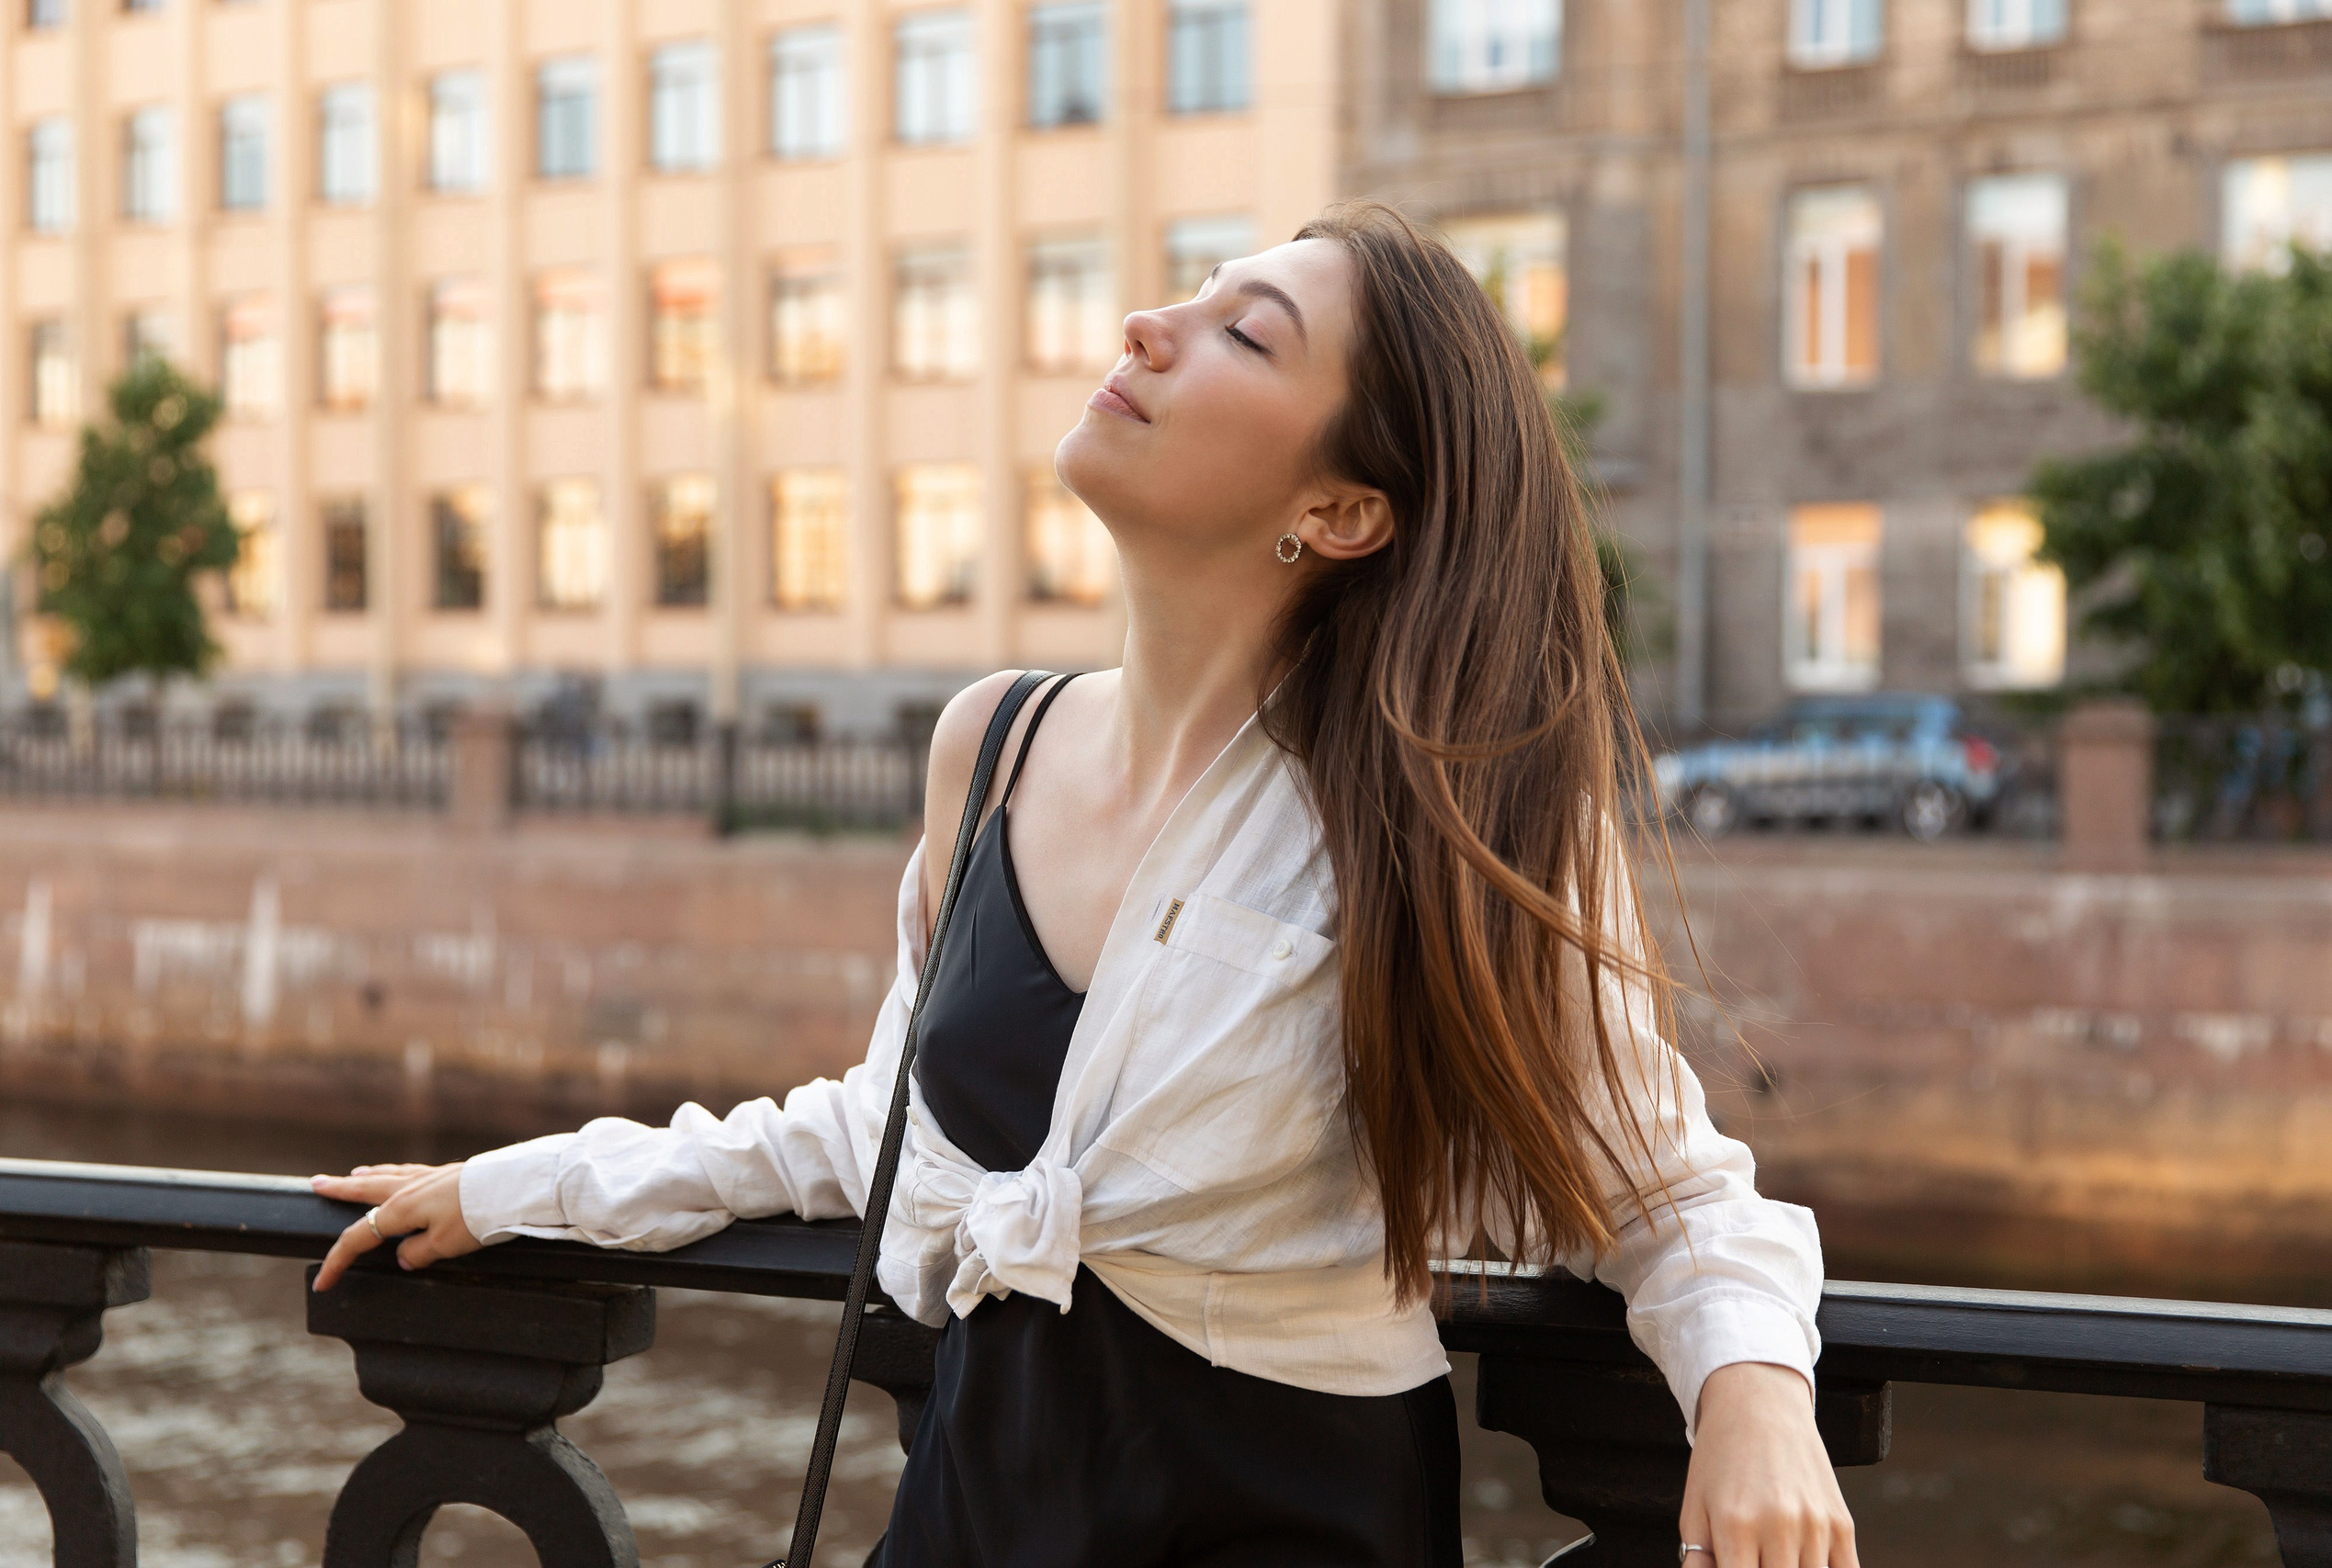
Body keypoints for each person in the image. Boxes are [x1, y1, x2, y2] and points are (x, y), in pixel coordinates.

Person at [312, 201, 1856, 1568]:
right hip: (981, 1511)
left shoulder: (1441, 810)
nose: (1147, 325)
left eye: (1246, 332)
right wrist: (523, 1190)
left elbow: (1660, 1188)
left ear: (1339, 512)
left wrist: (1756, 1402)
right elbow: (881, 1130)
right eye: (1193, 294)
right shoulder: (991, 745)